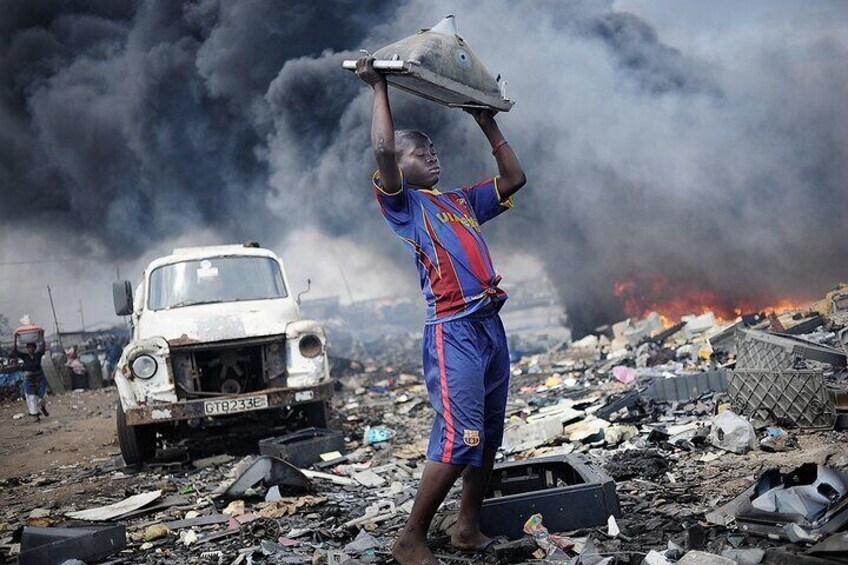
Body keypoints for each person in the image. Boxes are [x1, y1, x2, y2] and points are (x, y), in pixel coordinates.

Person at [355, 57, 527, 564]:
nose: (432, 155)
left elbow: (514, 177)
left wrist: (485, 120)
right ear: (399, 166)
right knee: (461, 436)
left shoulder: (459, 201)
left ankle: (466, 529)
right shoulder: (402, 204)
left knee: (488, 435)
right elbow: (383, 146)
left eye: (433, 149)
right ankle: (411, 537)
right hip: (453, 332)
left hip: (488, 327)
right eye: (420, 151)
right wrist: (379, 85)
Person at [12, 341, 49, 421]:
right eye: (29, 348)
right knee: (31, 397)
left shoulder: (38, 355)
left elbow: (43, 347)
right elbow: (15, 351)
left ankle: (42, 407)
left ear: (34, 348)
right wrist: (15, 339)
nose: (30, 349)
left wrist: (41, 336)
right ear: (27, 349)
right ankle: (35, 415)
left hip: (40, 378)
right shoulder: (24, 356)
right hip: (29, 379)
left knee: (42, 396)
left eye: (32, 347)